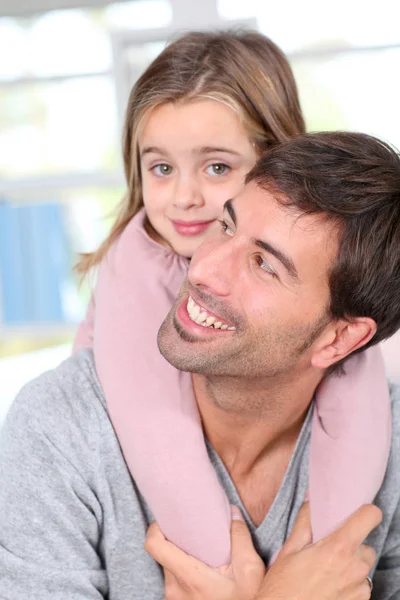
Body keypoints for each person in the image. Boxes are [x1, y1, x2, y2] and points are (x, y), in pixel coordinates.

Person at [1, 131, 399, 600]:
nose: (203, 269)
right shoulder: (59, 427)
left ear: (339, 338)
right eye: (226, 227)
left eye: (263, 265)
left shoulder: (390, 448)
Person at [73, 30, 390, 567]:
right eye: (161, 168)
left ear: (277, 164)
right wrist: (232, 571)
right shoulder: (134, 268)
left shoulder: (329, 301)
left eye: (217, 167)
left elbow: (359, 398)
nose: (184, 197)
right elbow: (158, 436)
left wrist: (324, 556)